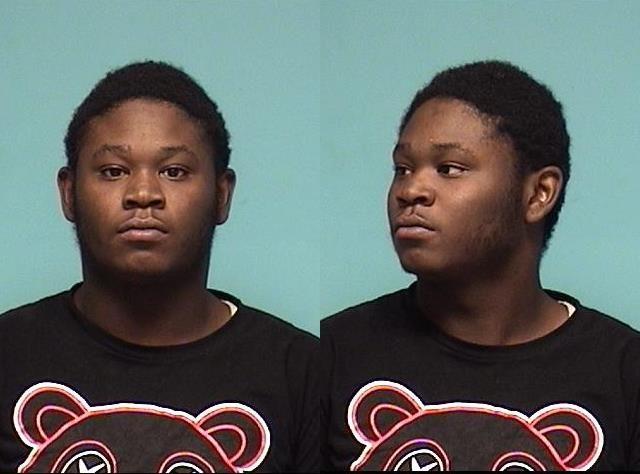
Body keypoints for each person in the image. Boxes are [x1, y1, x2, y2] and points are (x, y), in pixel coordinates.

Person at [0, 61, 318, 473]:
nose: (143, 193)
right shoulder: (9, 355)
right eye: (113, 171)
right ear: (69, 192)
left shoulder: (302, 373)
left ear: (222, 194)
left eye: (174, 171)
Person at [321, 60, 640, 471]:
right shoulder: (333, 354)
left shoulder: (624, 373)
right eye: (402, 169)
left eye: (449, 169)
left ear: (538, 194)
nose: (411, 190)